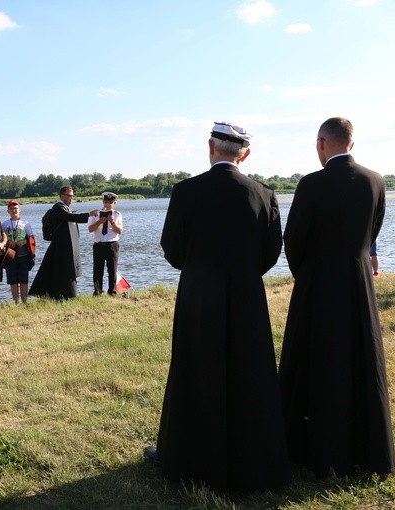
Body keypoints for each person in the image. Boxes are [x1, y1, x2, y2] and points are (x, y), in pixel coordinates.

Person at [145, 122, 290, 491]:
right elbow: (272, 251)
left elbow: (172, 248)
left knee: (195, 368)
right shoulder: (263, 193)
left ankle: (186, 455)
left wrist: (199, 270)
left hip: (198, 294)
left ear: (210, 147)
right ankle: (253, 456)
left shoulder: (186, 191)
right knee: (250, 371)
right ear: (245, 153)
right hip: (247, 295)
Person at [278, 117, 395, 478]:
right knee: (361, 359)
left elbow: (293, 238)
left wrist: (307, 273)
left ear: (322, 143)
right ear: (352, 144)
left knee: (315, 360)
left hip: (317, 282)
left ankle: (306, 447)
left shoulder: (311, 183)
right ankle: (365, 449)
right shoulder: (375, 181)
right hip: (359, 283)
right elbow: (373, 230)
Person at [29, 186, 100, 300]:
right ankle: (64, 295)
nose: (71, 198)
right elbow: (71, 217)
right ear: (62, 195)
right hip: (60, 247)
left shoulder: (66, 207)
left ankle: (62, 295)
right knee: (60, 271)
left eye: (72, 196)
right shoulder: (58, 208)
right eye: (69, 195)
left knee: (62, 271)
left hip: (66, 246)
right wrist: (89, 214)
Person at [87, 192, 123, 296]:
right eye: (106, 202)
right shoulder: (96, 214)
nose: (107, 204)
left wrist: (112, 222)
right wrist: (99, 222)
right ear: (103, 202)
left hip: (112, 245)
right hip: (99, 245)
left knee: (112, 270)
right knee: (98, 270)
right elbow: (90, 229)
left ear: (114, 203)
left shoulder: (117, 215)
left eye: (110, 202)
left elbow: (120, 231)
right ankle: (97, 291)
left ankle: (112, 292)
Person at [1, 200, 35, 303]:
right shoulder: (4, 224)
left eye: (15, 208)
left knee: (24, 280)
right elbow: (2, 239)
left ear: (20, 210)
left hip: (23, 255)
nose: (14, 210)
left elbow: (32, 239)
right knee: (13, 281)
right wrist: (9, 244)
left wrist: (24, 241)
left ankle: (24, 301)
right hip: (10, 256)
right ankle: (16, 302)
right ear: (8, 211)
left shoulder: (26, 224)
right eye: (11, 208)